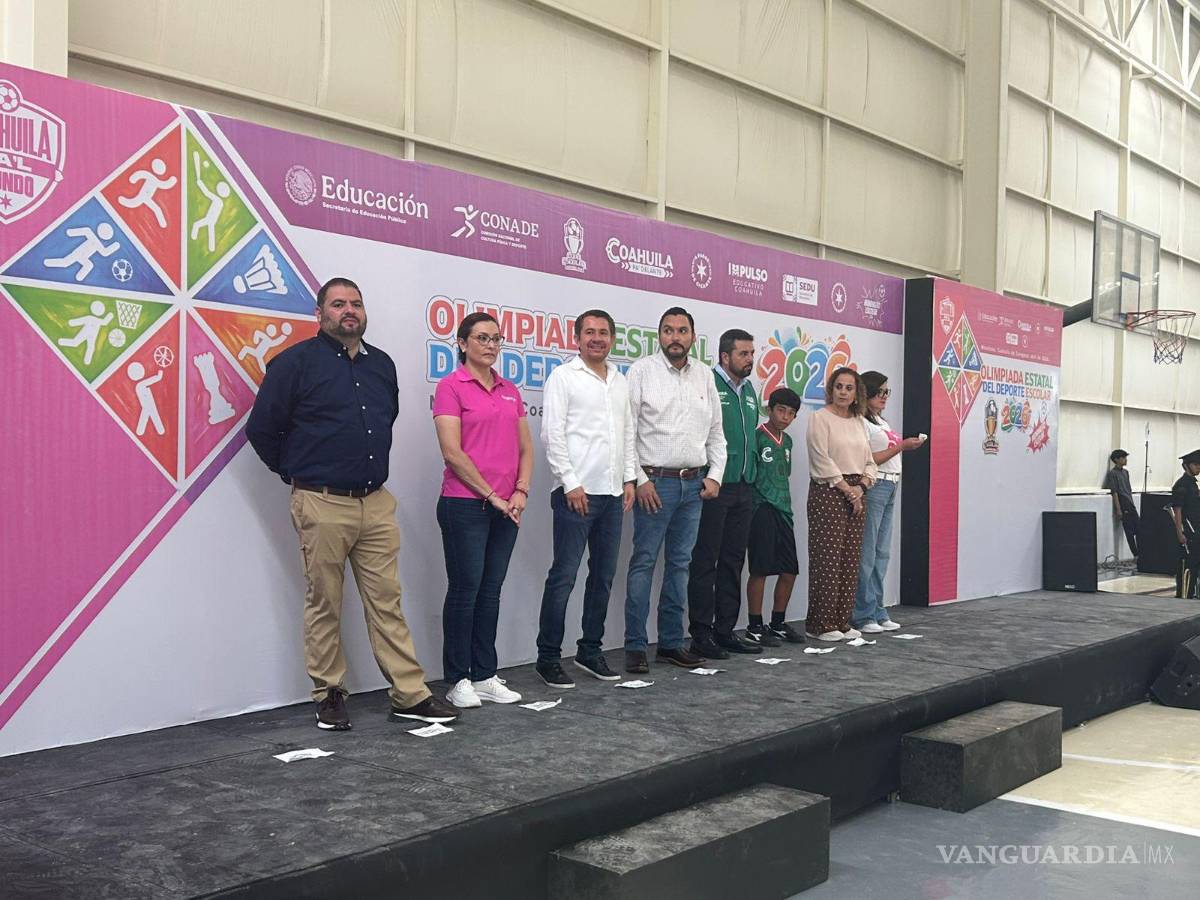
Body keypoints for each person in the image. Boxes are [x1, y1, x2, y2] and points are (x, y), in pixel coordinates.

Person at [246, 276, 458, 731]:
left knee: (388, 601)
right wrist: (296, 473)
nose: (349, 311)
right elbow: (262, 430)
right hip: (321, 502)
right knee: (324, 601)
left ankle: (409, 693)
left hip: (375, 503)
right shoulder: (293, 364)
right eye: (338, 304)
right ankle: (329, 693)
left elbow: (388, 418)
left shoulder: (381, 365)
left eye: (356, 304)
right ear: (320, 314)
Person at [433, 311, 534, 708]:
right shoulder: (450, 386)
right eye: (481, 338)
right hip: (465, 505)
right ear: (462, 343)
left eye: (495, 339)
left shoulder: (510, 390)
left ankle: (485, 673)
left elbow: (526, 448)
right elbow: (452, 452)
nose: (490, 345)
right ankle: (458, 679)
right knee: (465, 592)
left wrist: (521, 491)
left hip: (508, 508)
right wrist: (492, 495)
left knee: (490, 592)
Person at [535, 309, 636, 687]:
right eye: (590, 332)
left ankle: (590, 651)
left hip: (612, 495)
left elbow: (626, 433)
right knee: (563, 577)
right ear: (576, 338)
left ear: (612, 338)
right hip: (575, 494)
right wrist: (570, 483)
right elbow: (552, 435)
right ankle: (547, 657)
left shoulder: (619, 381)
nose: (597, 338)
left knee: (603, 578)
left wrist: (629, 479)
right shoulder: (564, 377)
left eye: (604, 332)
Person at [624, 307, 726, 673]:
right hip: (655, 484)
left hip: (693, 485)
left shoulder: (704, 376)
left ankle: (670, 642)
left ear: (693, 337)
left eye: (682, 331)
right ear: (659, 336)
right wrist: (639, 478)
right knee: (644, 563)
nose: (675, 338)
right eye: (668, 331)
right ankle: (635, 645)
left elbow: (716, 433)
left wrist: (715, 474)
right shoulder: (641, 372)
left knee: (680, 566)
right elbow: (627, 432)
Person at [687, 328, 762, 659]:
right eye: (743, 354)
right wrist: (708, 477)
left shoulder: (749, 391)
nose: (749, 360)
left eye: (751, 354)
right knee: (706, 560)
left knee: (733, 560)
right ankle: (701, 633)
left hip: (744, 487)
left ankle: (725, 629)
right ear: (724, 356)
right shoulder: (708, 385)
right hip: (715, 487)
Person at [805, 367, 877, 641]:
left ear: (856, 392)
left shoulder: (860, 421)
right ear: (831, 390)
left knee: (849, 560)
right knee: (828, 559)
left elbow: (869, 460)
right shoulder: (819, 418)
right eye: (839, 387)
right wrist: (847, 489)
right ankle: (820, 625)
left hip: (857, 492)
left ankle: (841, 621)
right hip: (829, 492)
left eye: (849, 388)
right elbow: (821, 458)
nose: (843, 392)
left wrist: (861, 487)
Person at [851, 372, 925, 634]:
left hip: (892, 484)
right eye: (880, 392)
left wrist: (904, 446)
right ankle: (862, 613)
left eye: (887, 392)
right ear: (867, 393)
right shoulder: (860, 421)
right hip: (876, 483)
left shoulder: (880, 420)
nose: (884, 397)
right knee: (868, 553)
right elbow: (867, 458)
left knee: (882, 553)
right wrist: (901, 446)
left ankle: (878, 609)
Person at [744, 388, 805, 646]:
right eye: (781, 410)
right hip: (761, 508)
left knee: (789, 569)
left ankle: (778, 623)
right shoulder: (758, 437)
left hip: (784, 510)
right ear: (769, 409)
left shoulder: (788, 442)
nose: (785, 417)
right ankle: (754, 626)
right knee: (760, 569)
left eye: (791, 413)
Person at [1171, 449, 1200, 599]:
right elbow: (1177, 510)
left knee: (1195, 564)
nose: (1198, 468)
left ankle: (1191, 593)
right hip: (1187, 531)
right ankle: (1183, 595)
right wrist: (1179, 532)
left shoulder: (1193, 484)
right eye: (1195, 465)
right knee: (1186, 565)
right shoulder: (1181, 485)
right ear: (1186, 466)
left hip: (1196, 530)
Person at [1104, 449, 1139, 560]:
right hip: (1123, 502)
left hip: (1129, 501)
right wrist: (1118, 509)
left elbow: (1128, 489)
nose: (1125, 460)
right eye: (1123, 458)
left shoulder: (1125, 473)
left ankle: (1142, 551)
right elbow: (1115, 492)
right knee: (1128, 531)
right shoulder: (1112, 474)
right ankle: (1136, 554)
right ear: (1116, 460)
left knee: (1139, 528)